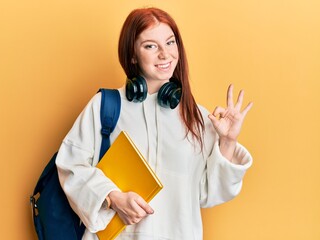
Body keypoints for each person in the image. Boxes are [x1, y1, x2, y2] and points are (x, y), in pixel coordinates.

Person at [56, 7, 253, 240]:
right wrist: (112, 197)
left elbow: (209, 193)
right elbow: (71, 167)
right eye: (150, 46)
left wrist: (228, 142)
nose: (165, 54)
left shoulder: (197, 117)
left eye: (170, 43)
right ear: (132, 55)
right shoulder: (105, 107)